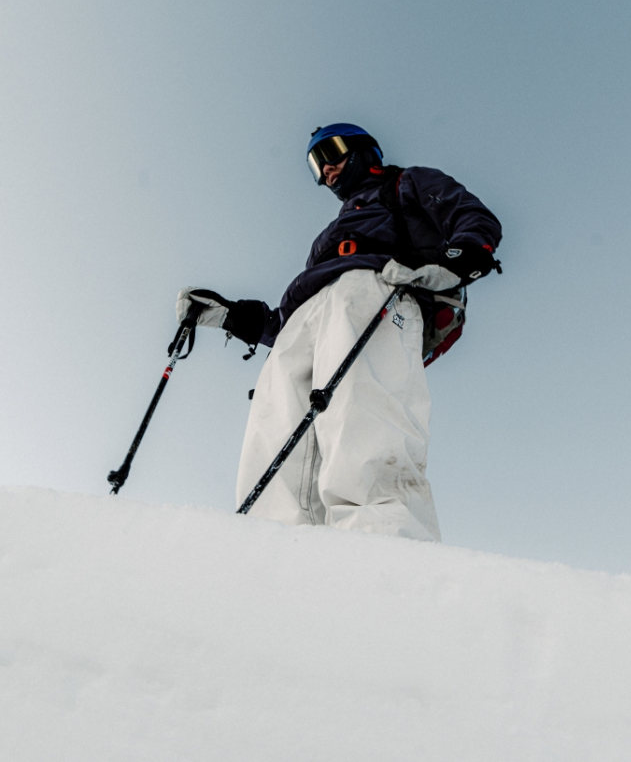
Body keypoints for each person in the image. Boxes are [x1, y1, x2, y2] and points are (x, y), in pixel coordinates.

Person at [176, 124, 502, 540]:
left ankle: (384, 541)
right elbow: (281, 325)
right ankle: (273, 543)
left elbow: (472, 218)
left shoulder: (405, 183)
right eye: (316, 164)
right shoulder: (327, 236)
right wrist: (231, 317)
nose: (326, 169)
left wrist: (457, 259)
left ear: (367, 151)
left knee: (360, 416)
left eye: (332, 151)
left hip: (376, 287)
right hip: (305, 315)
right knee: (277, 423)